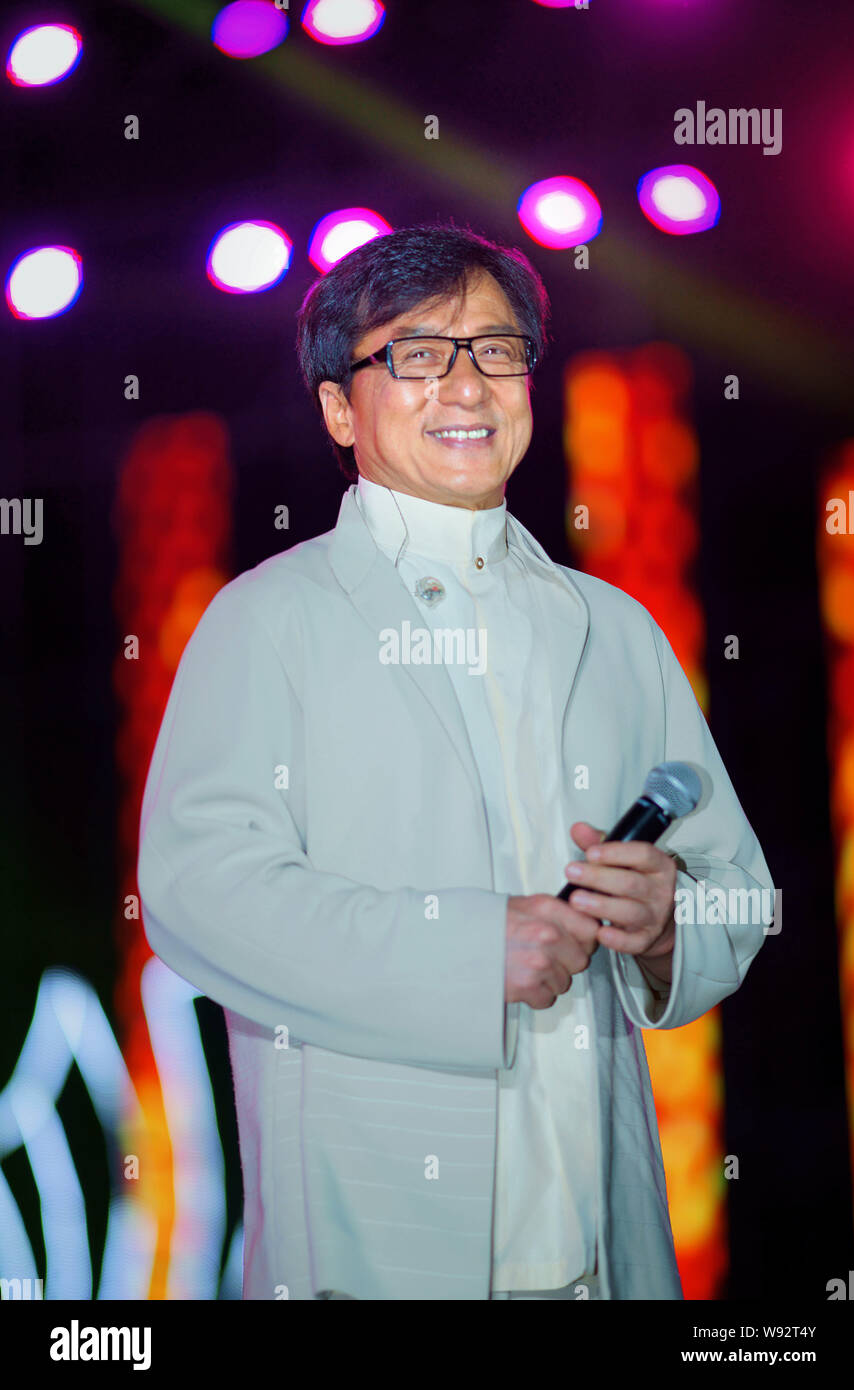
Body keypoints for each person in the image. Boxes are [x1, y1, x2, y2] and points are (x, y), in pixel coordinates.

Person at [137, 222, 773, 1301]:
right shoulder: (264, 619)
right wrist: (468, 954)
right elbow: (197, 897)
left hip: (598, 1251)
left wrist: (669, 924)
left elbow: (740, 896)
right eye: (417, 355)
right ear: (341, 407)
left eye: (494, 349)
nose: (466, 384)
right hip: (370, 1246)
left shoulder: (611, 627)